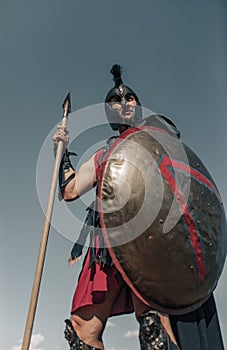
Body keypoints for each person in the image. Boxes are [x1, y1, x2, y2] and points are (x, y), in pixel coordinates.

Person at [53, 65, 225, 350]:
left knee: (152, 323)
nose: (124, 103)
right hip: (106, 244)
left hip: (150, 237)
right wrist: (62, 152)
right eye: (116, 101)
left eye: (129, 98)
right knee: (81, 331)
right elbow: (70, 190)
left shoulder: (157, 136)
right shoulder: (101, 156)